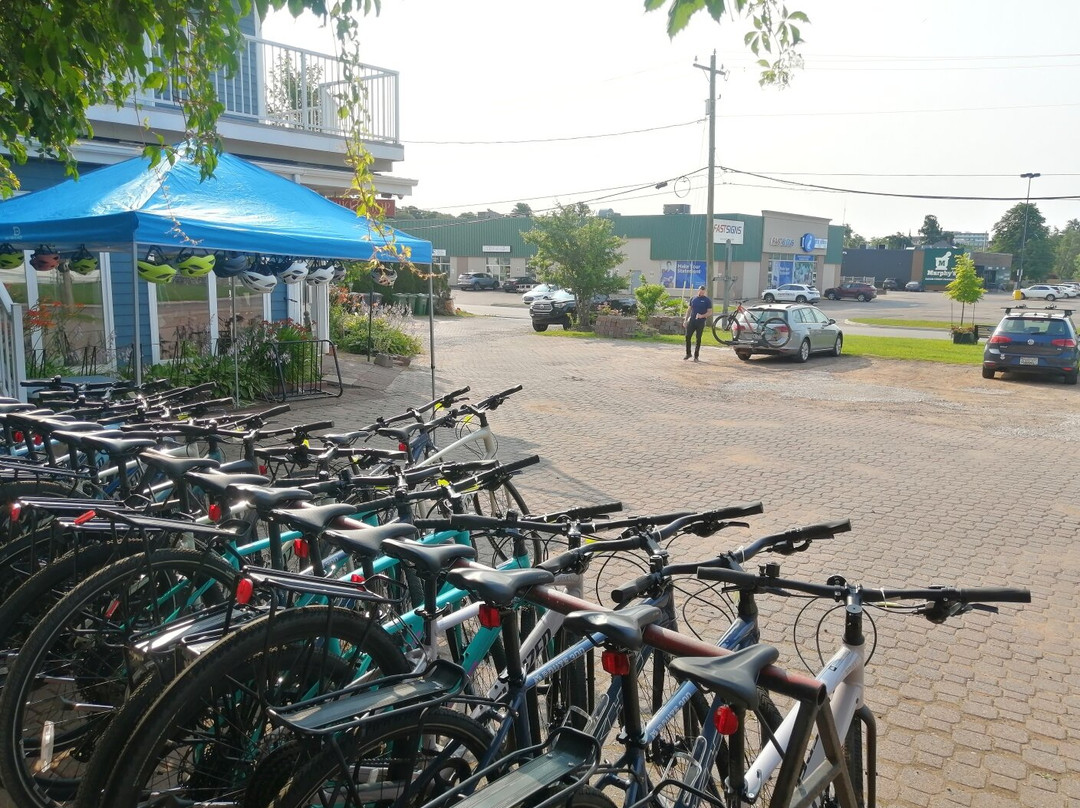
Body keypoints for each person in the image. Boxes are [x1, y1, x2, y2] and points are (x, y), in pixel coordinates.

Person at [683, 285, 713, 362]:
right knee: (687, 337)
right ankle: (688, 353)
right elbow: (689, 310)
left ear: (705, 292)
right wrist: (685, 320)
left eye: (703, 292)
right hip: (692, 321)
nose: (701, 293)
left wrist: (702, 316)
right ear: (698, 291)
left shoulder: (707, 300)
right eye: (700, 291)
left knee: (698, 338)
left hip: (701, 322)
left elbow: (710, 312)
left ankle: (696, 356)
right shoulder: (693, 299)